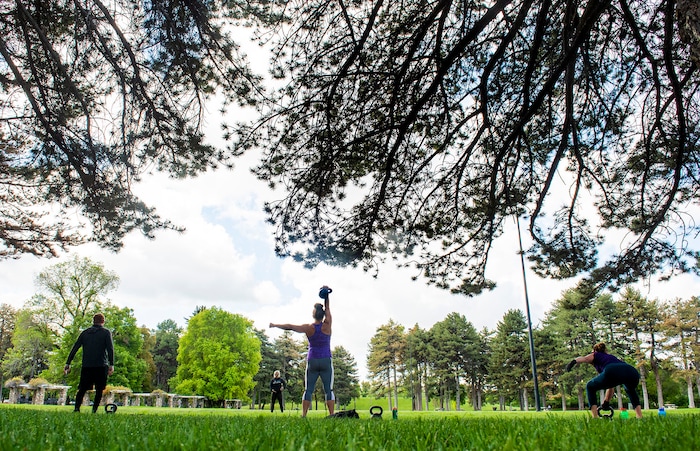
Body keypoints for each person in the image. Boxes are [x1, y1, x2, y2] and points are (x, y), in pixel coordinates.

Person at [270, 285, 334, 417]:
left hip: (312, 361)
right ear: (323, 315)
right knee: (329, 389)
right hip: (326, 359)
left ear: (313, 314)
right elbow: (327, 309)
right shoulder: (327, 324)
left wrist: (275, 325)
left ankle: (304, 415)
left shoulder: (308, 327)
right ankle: (332, 414)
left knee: (308, 389)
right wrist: (326, 296)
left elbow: (290, 327)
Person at [565, 342, 642, 419]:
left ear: (594, 351)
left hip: (612, 370)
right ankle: (639, 416)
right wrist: (606, 403)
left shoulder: (596, 354)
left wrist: (573, 362)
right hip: (632, 371)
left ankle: (595, 417)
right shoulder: (610, 357)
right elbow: (610, 387)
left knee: (590, 386)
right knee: (631, 390)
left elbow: (585, 359)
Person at [64, 313, 115, 413]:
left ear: (93, 321)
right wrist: (111, 364)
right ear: (103, 321)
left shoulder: (85, 333)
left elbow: (75, 348)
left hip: (87, 365)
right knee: (99, 390)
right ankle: (94, 410)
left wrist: (68, 362)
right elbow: (110, 349)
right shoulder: (106, 333)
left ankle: (77, 408)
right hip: (101, 365)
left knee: (82, 388)